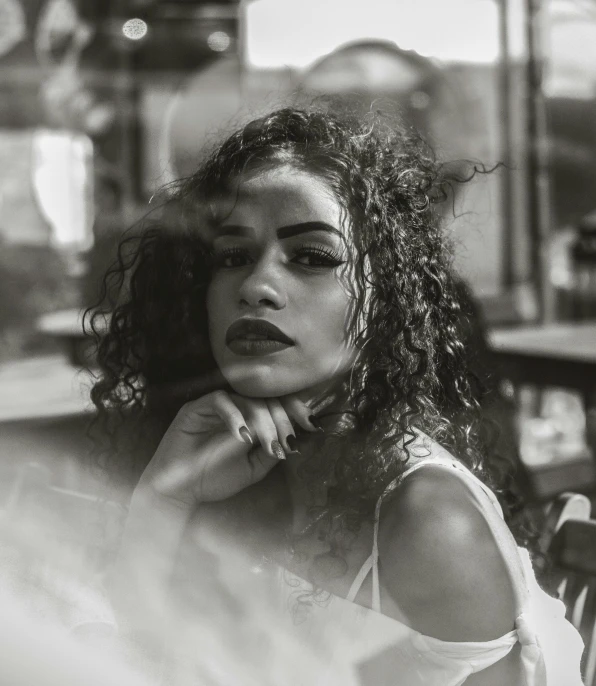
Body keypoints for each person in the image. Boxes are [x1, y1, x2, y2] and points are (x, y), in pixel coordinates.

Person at [87, 105, 584, 685]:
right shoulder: (236, 464)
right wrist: (165, 497)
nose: (256, 286)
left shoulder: (428, 518)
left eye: (314, 258)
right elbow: (133, 659)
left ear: (385, 299)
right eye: (233, 257)